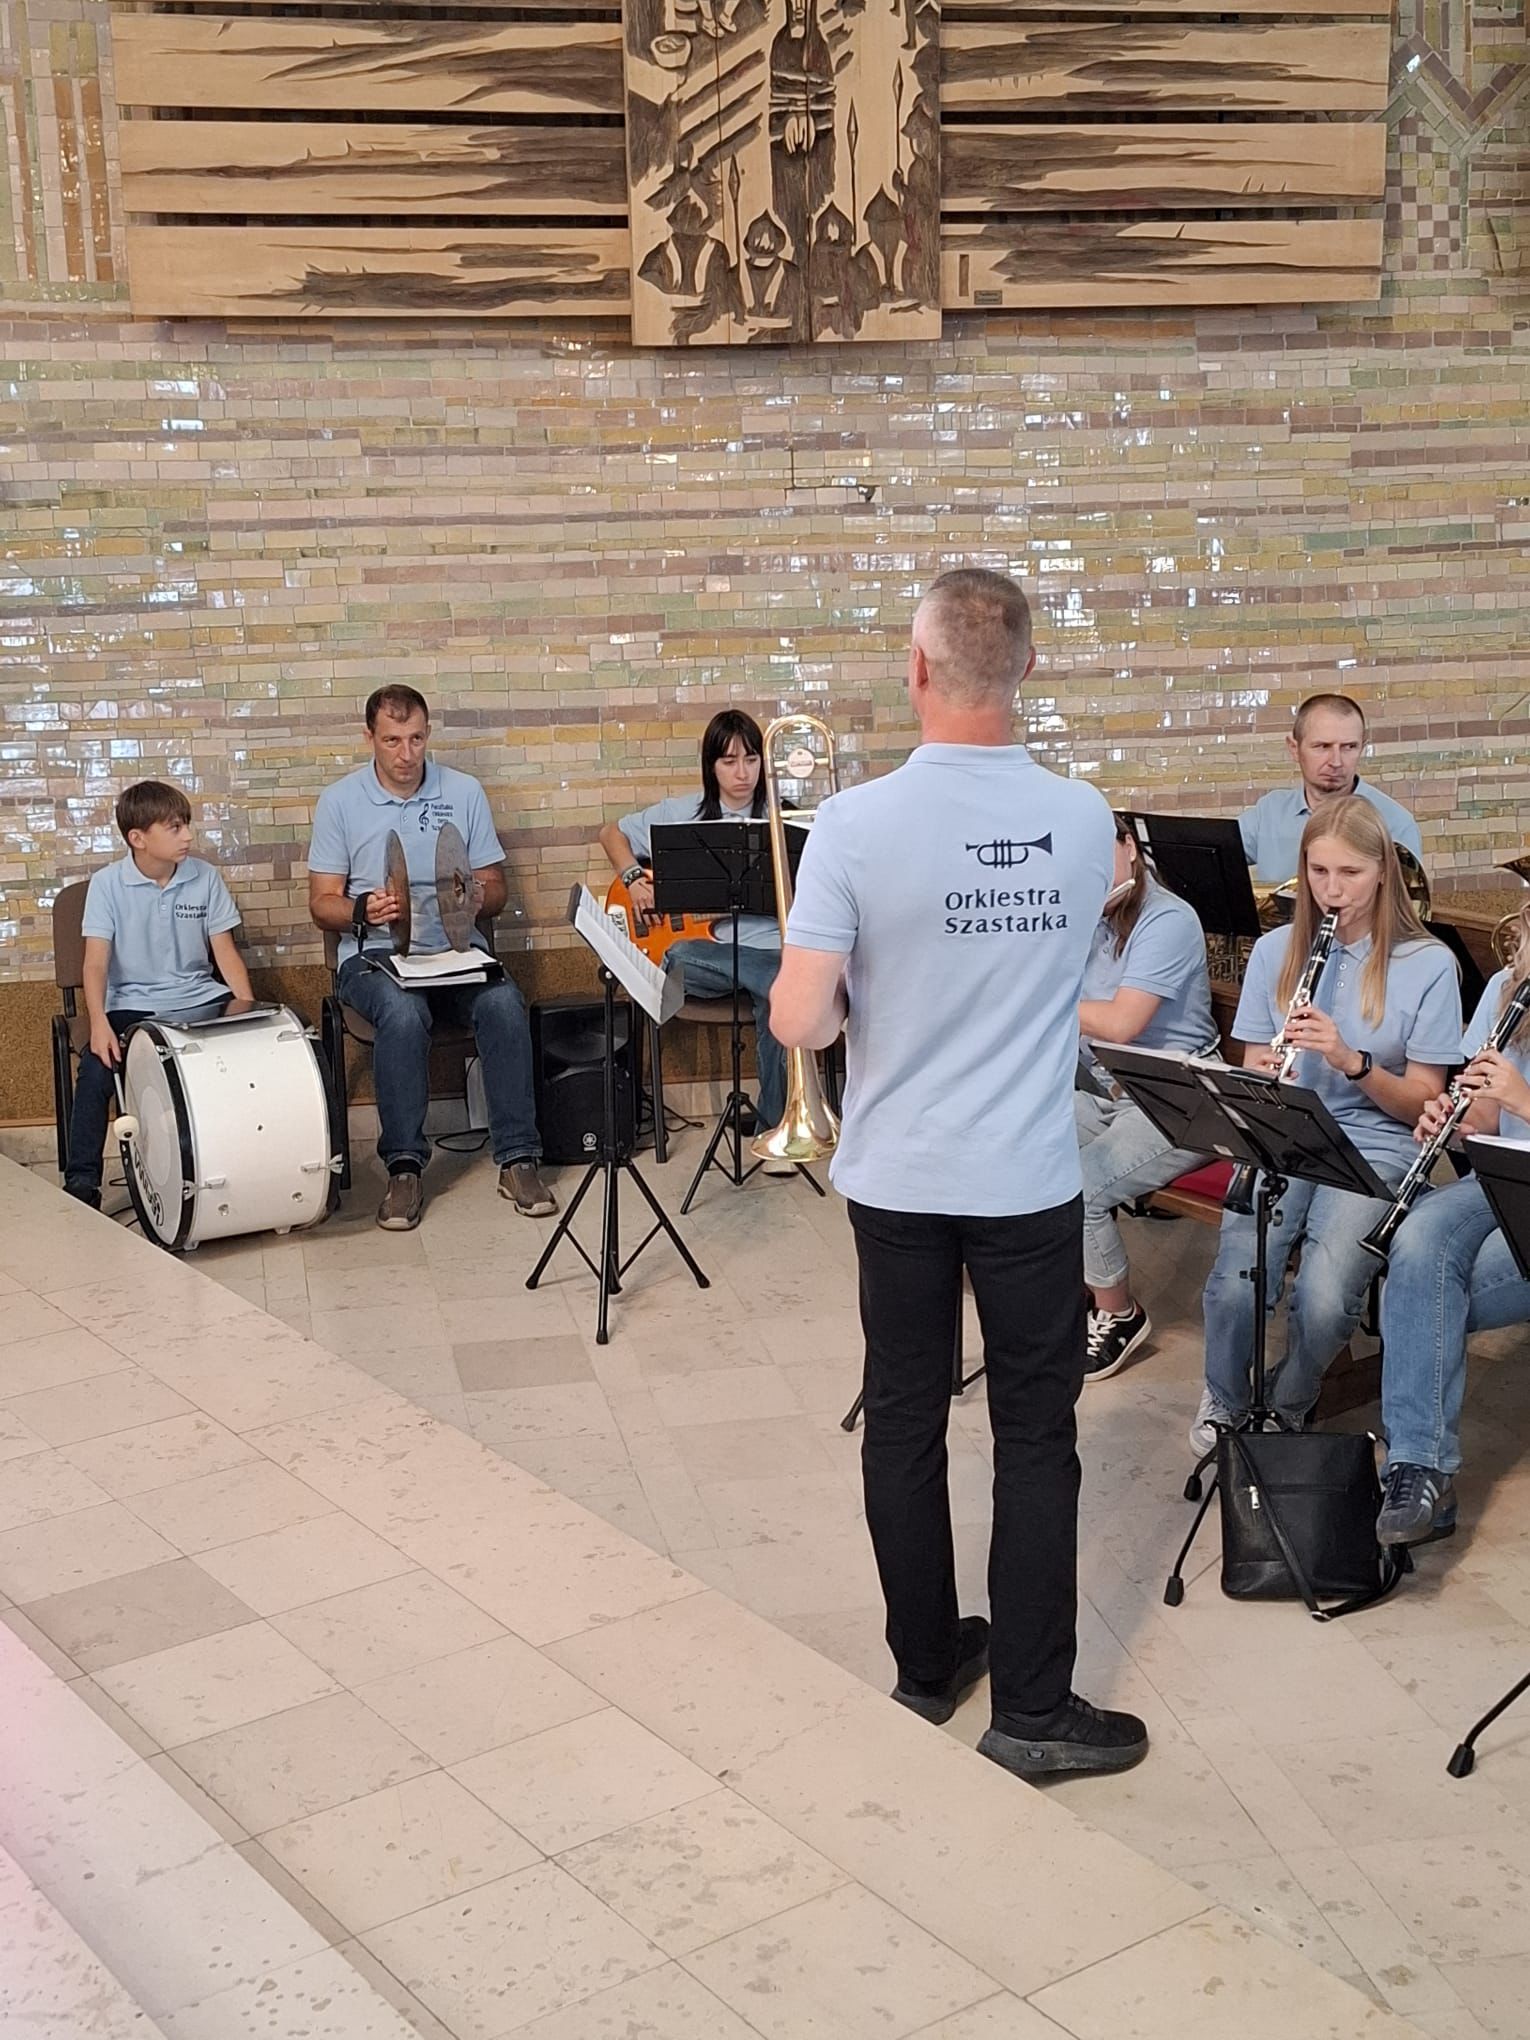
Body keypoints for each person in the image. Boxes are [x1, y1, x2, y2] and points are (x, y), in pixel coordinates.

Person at [771, 566, 1149, 1783]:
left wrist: (855, 999)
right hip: (1025, 1176)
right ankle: (1033, 1711)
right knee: (1036, 1435)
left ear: (917, 669)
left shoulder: (852, 825)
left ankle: (927, 1666)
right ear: (1027, 667)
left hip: (896, 1175)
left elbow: (800, 1021)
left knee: (904, 1415)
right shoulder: (1084, 818)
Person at [1193, 795, 1461, 1453]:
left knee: (1324, 1294)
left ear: (1383, 872)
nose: (1332, 890)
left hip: (1378, 1142)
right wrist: (1267, 1074)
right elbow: (1253, 1061)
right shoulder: (1276, 951)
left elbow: (1424, 1103)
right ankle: (1224, 1401)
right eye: (1318, 872)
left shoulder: (1428, 965)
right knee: (1235, 1282)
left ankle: (1289, 1402)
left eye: (1350, 873)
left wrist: (1351, 1060)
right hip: (1286, 1131)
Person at [307, 685, 554, 1232]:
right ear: (369, 738)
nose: (406, 753)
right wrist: (362, 909)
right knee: (403, 1013)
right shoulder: (340, 802)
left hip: (457, 952)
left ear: (428, 735)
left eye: (416, 739)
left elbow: (496, 888)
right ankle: (404, 1169)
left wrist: (476, 897)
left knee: (504, 1004)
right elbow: (321, 904)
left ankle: (518, 1159)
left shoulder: (463, 792)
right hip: (374, 956)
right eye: (392, 740)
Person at [1373, 912, 1530, 1547]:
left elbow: (1516, 1102)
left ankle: (1419, 1473)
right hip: (1501, 1176)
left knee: (1421, 1298)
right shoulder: (1506, 988)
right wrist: (1458, 1122)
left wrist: (1525, 1100)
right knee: (1416, 1241)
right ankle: (1421, 1469)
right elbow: (1488, 1120)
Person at [598, 709, 788, 1155]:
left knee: (780, 986)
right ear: (710, 766)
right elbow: (611, 833)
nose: (742, 773)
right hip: (704, 957)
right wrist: (633, 880)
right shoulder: (682, 812)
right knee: (681, 955)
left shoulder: (784, 819)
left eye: (751, 760)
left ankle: (776, 1129)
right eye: (729, 761)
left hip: (772, 953)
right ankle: (777, 985)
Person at [63, 779, 253, 1209]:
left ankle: (244, 1168)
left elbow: (225, 953)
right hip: (130, 1006)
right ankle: (81, 1184)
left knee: (253, 1052)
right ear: (138, 838)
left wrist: (248, 1011)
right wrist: (98, 1024)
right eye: (174, 827)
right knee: (96, 1069)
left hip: (198, 999)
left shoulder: (205, 877)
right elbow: (95, 964)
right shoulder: (107, 885)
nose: (188, 835)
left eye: (186, 824)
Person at [1076, 816, 1218, 1380]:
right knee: (1023, 1145)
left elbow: (1122, 1023)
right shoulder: (1090, 917)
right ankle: (1069, 1293)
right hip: (1108, 1090)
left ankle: (1119, 1313)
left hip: (1176, 1100)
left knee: (1082, 1183)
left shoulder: (1168, 920)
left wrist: (1040, 997)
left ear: (1129, 846)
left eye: (1099, 853)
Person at [1239, 693, 1423, 885]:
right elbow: (1217, 854)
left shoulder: (1395, 823)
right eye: (1322, 746)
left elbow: (1406, 899)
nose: (1336, 762)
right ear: (1294, 748)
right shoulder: (1269, 811)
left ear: (1362, 748)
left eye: (1349, 747)